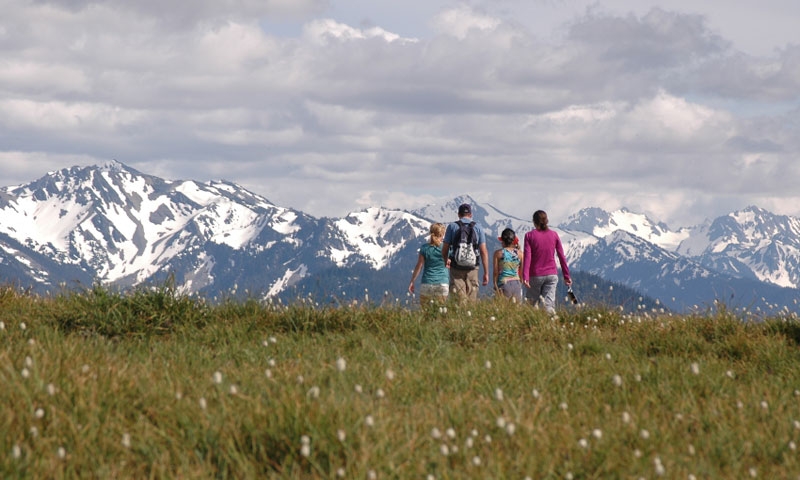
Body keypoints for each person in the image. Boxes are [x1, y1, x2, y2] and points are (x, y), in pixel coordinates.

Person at [522, 210, 571, 314]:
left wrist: (525, 276)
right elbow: (561, 256)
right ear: (546, 221)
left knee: (530, 305)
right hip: (552, 274)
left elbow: (527, 257)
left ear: (534, 222)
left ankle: (529, 326)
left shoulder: (529, 236)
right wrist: (567, 276)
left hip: (535, 275)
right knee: (548, 305)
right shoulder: (554, 235)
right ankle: (551, 325)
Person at [441, 203, 489, 302]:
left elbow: (445, 249)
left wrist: (446, 262)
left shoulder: (452, 226)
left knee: (458, 300)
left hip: (456, 267)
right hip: (473, 267)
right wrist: (486, 272)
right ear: (471, 215)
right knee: (472, 299)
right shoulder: (478, 227)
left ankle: (459, 316)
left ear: (459, 214)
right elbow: (483, 251)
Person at [409, 223, 450, 305]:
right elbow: (450, 262)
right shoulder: (447, 247)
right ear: (442, 234)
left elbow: (419, 266)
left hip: (427, 283)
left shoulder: (424, 248)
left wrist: (412, 281)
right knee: (440, 313)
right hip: (442, 283)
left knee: (426, 314)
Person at [493, 228, 523, 303]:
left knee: (503, 309)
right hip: (516, 283)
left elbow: (496, 272)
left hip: (503, 283)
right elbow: (521, 272)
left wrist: (495, 285)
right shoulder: (520, 254)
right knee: (516, 310)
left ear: (502, 241)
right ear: (513, 241)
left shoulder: (498, 253)